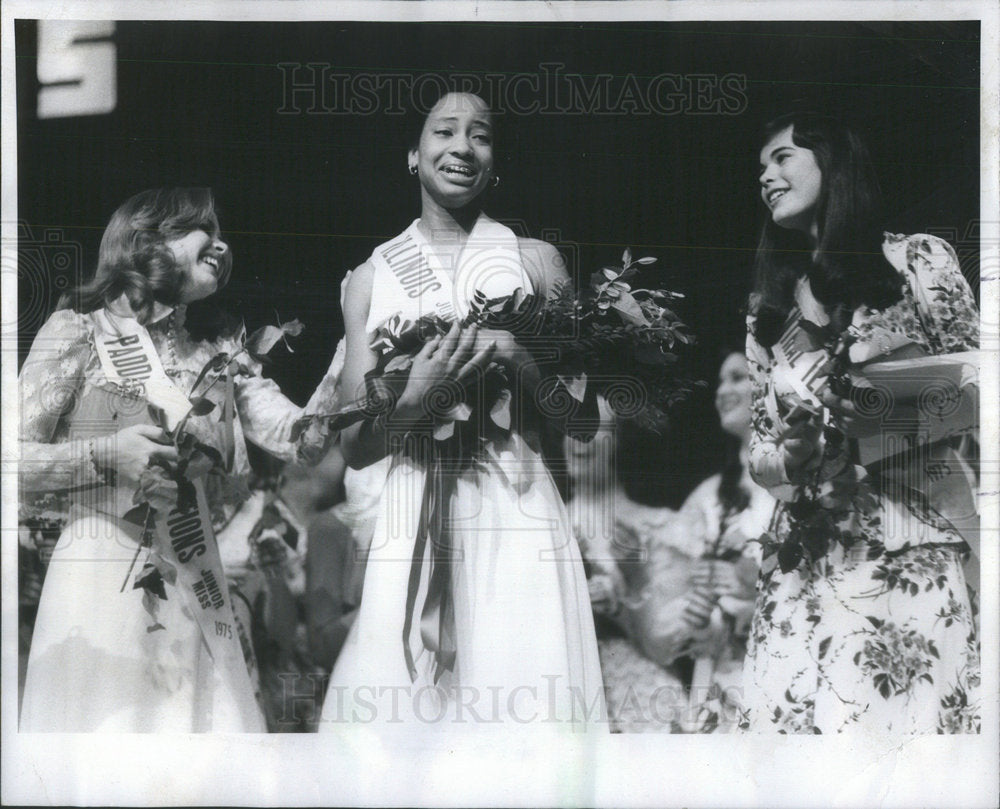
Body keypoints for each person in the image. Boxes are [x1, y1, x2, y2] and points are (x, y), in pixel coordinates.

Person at [320, 91, 605, 729]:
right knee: (416, 712)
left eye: (480, 135)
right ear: (414, 156)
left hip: (517, 502)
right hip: (413, 506)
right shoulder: (372, 276)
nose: (462, 147)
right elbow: (357, 445)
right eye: (444, 132)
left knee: (521, 706)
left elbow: (580, 422)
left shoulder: (535, 260)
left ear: (494, 163)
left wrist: (522, 359)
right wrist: (417, 396)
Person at [18, 188, 340, 732]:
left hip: (194, 583)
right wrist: (103, 456)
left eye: (221, 234)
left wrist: (356, 347)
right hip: (97, 578)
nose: (221, 244)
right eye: (203, 230)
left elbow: (300, 440)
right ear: (146, 241)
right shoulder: (78, 331)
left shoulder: (219, 352)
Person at [742, 112, 980, 733]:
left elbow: (981, 391)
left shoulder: (916, 260)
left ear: (833, 163)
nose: (765, 176)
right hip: (805, 564)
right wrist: (791, 453)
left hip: (908, 549)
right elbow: (760, 458)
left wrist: (871, 407)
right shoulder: (766, 314)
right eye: (760, 167)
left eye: (782, 158)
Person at [641, 351, 775, 732]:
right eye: (719, 381)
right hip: (721, 683)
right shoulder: (709, 498)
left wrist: (751, 586)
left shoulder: (800, 489)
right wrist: (694, 605)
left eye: (736, 377)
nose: (722, 391)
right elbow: (661, 608)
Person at [565, 397, 687, 733]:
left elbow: (671, 644)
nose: (578, 437)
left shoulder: (658, 526)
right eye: (570, 425)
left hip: (641, 696)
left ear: (619, 439)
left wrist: (628, 594)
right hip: (562, 691)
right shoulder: (537, 533)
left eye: (592, 425)